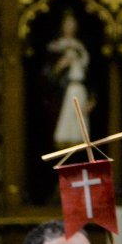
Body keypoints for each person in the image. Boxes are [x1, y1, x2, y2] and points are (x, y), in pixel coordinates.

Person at [47, 11, 90, 148]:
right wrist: (60, 66)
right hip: (64, 93)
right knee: (64, 131)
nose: (70, 26)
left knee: (80, 132)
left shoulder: (81, 48)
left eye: (73, 23)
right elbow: (48, 76)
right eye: (67, 23)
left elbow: (90, 77)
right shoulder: (55, 47)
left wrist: (92, 99)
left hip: (81, 91)